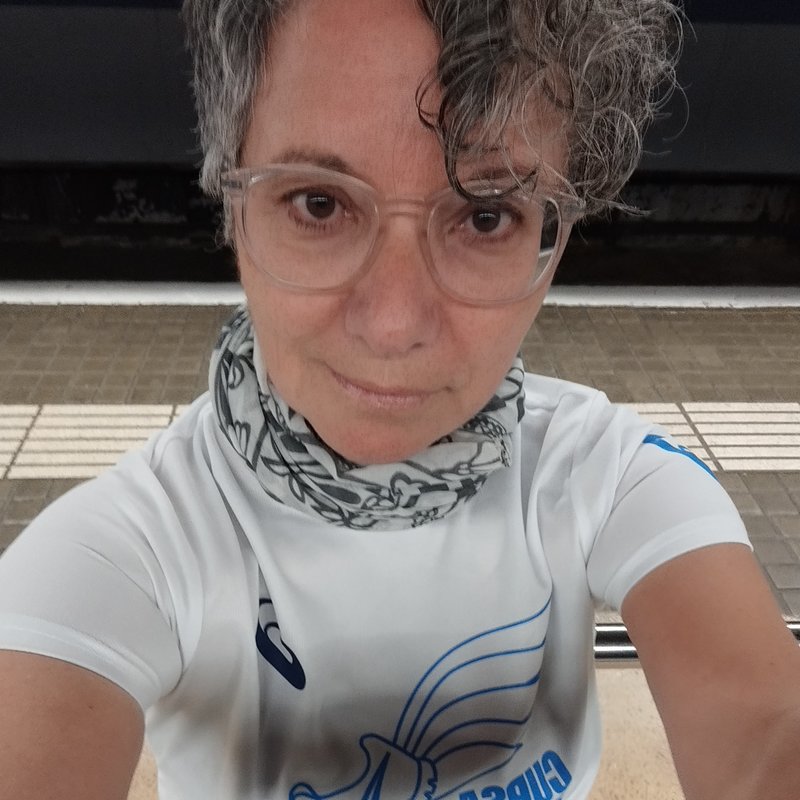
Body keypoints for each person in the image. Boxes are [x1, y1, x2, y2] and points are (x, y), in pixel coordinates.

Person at [1, 0, 799, 798]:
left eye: (485, 215)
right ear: (232, 207)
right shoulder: (123, 551)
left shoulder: (611, 477)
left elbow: (765, 734)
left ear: (554, 240)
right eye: (318, 203)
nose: (393, 325)